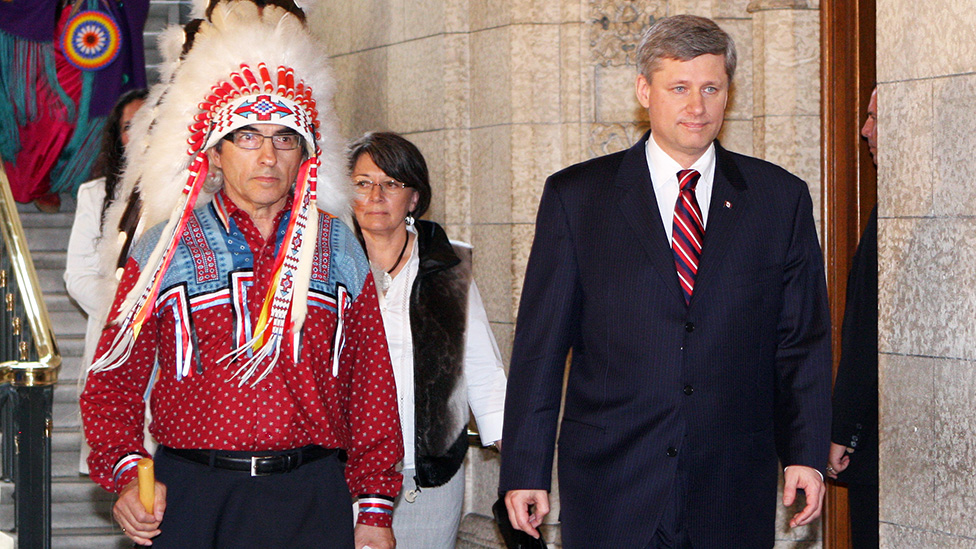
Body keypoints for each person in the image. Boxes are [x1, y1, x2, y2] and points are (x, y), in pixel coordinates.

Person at [500, 14, 832, 548]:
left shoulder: (779, 199)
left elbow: (801, 343)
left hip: (731, 485)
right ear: (643, 91)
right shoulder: (577, 198)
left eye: (710, 88)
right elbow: (540, 348)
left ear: (728, 94)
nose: (696, 106)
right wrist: (524, 467)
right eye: (678, 87)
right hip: (612, 484)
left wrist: (806, 454)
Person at [80, 3, 402, 548]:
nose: (268, 156)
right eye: (247, 136)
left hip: (312, 495)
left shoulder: (339, 246)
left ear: (305, 152)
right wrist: (128, 474)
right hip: (191, 498)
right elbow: (114, 379)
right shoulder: (165, 247)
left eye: (285, 137)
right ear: (215, 150)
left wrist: (374, 508)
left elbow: (370, 384)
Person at [348, 131, 508, 548]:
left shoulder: (445, 264)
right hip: (344, 472)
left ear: (414, 198)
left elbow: (481, 368)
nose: (376, 195)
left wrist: (521, 462)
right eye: (363, 182)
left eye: (392, 183)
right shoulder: (328, 262)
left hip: (427, 472)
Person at [64, 87, 148, 474]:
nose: (141, 132)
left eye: (152, 123)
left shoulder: (192, 195)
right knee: (125, 468)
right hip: (114, 342)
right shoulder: (95, 195)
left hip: (173, 361)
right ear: (118, 135)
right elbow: (77, 274)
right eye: (130, 125)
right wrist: (131, 311)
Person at [827, 86, 879, 548]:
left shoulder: (895, 220)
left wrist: (839, 430)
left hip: (888, 450)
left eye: (875, 119)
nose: (864, 131)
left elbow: (865, 336)